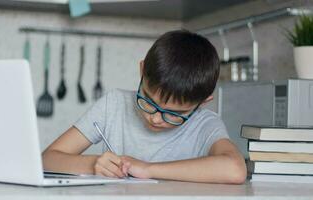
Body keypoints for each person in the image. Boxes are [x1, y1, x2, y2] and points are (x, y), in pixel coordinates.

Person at [42, 30, 247, 184]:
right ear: (142, 71)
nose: (156, 118)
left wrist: (148, 169)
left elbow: (236, 169)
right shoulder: (113, 105)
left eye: (175, 113)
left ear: (203, 101)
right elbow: (47, 160)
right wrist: (94, 165)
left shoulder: (205, 125)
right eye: (148, 101)